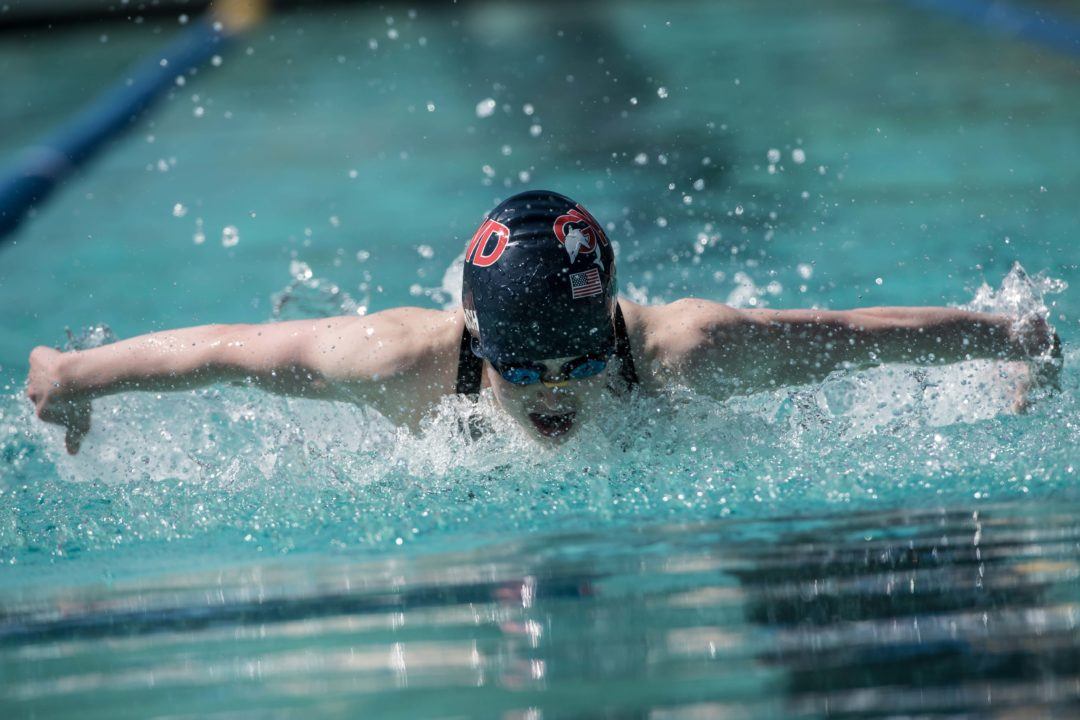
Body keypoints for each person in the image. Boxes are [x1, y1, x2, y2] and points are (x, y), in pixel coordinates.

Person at [27, 190, 1058, 454]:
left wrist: (1014, 336)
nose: (559, 390)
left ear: (614, 325)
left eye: (581, 357)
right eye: (530, 368)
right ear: (480, 342)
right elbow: (217, 353)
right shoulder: (399, 358)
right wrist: (67, 379)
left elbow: (859, 335)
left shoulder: (686, 349)